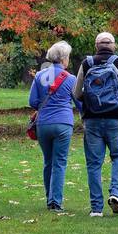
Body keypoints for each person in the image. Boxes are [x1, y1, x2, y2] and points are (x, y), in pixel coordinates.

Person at [74, 32, 118, 217]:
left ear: (96, 46)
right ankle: (116, 194)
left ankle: (96, 208)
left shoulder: (87, 63)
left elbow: (77, 93)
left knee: (94, 163)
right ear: (114, 46)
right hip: (116, 119)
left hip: (92, 120)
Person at [29, 41, 77, 211]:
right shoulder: (71, 79)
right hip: (63, 123)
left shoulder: (39, 76)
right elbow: (79, 102)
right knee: (60, 162)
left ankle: (49, 197)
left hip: (43, 124)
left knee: (48, 161)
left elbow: (32, 101)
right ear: (64, 59)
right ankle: (55, 201)